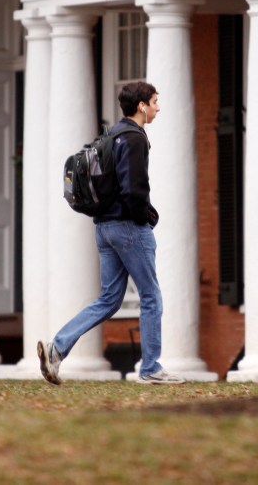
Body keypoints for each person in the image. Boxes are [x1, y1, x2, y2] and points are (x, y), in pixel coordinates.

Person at [37, 81, 184, 385]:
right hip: (128, 227)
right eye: (155, 102)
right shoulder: (134, 137)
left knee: (109, 299)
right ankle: (151, 368)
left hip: (104, 228)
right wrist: (148, 215)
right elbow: (133, 190)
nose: (158, 107)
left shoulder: (112, 135)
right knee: (151, 296)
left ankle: (57, 348)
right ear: (141, 106)